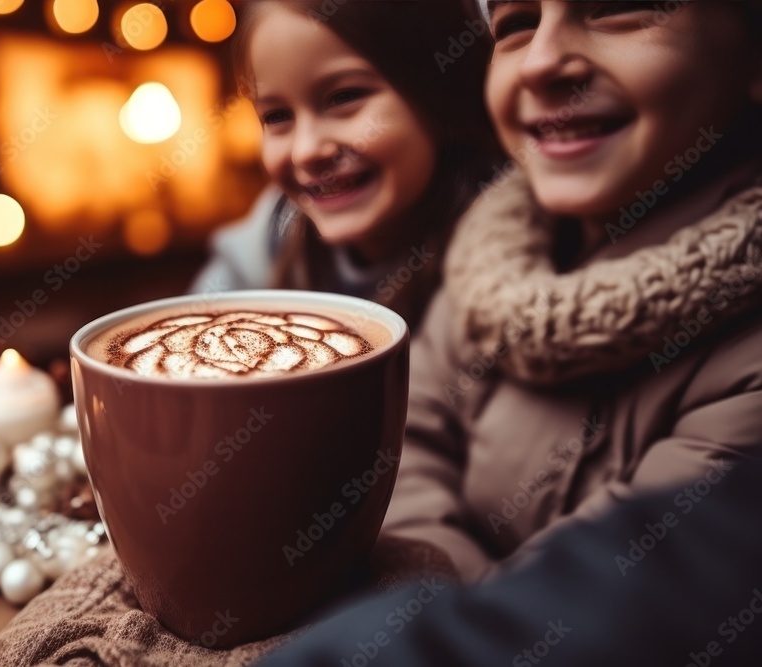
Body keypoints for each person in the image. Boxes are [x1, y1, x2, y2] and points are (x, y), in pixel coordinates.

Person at [380, 0, 762, 583]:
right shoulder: (486, 266)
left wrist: (444, 608)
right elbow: (398, 459)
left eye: (615, 9)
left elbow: (605, 600)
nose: (541, 62)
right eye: (517, 23)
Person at [259, 449, 762, 666]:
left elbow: (640, 569)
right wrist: (443, 571)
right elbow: (416, 448)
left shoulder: (742, 347)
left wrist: (469, 597)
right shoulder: (482, 274)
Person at [190, 0, 497, 331]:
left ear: (441, 94)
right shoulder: (271, 234)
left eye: (344, 97)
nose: (306, 151)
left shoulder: (507, 257)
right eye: (277, 116)